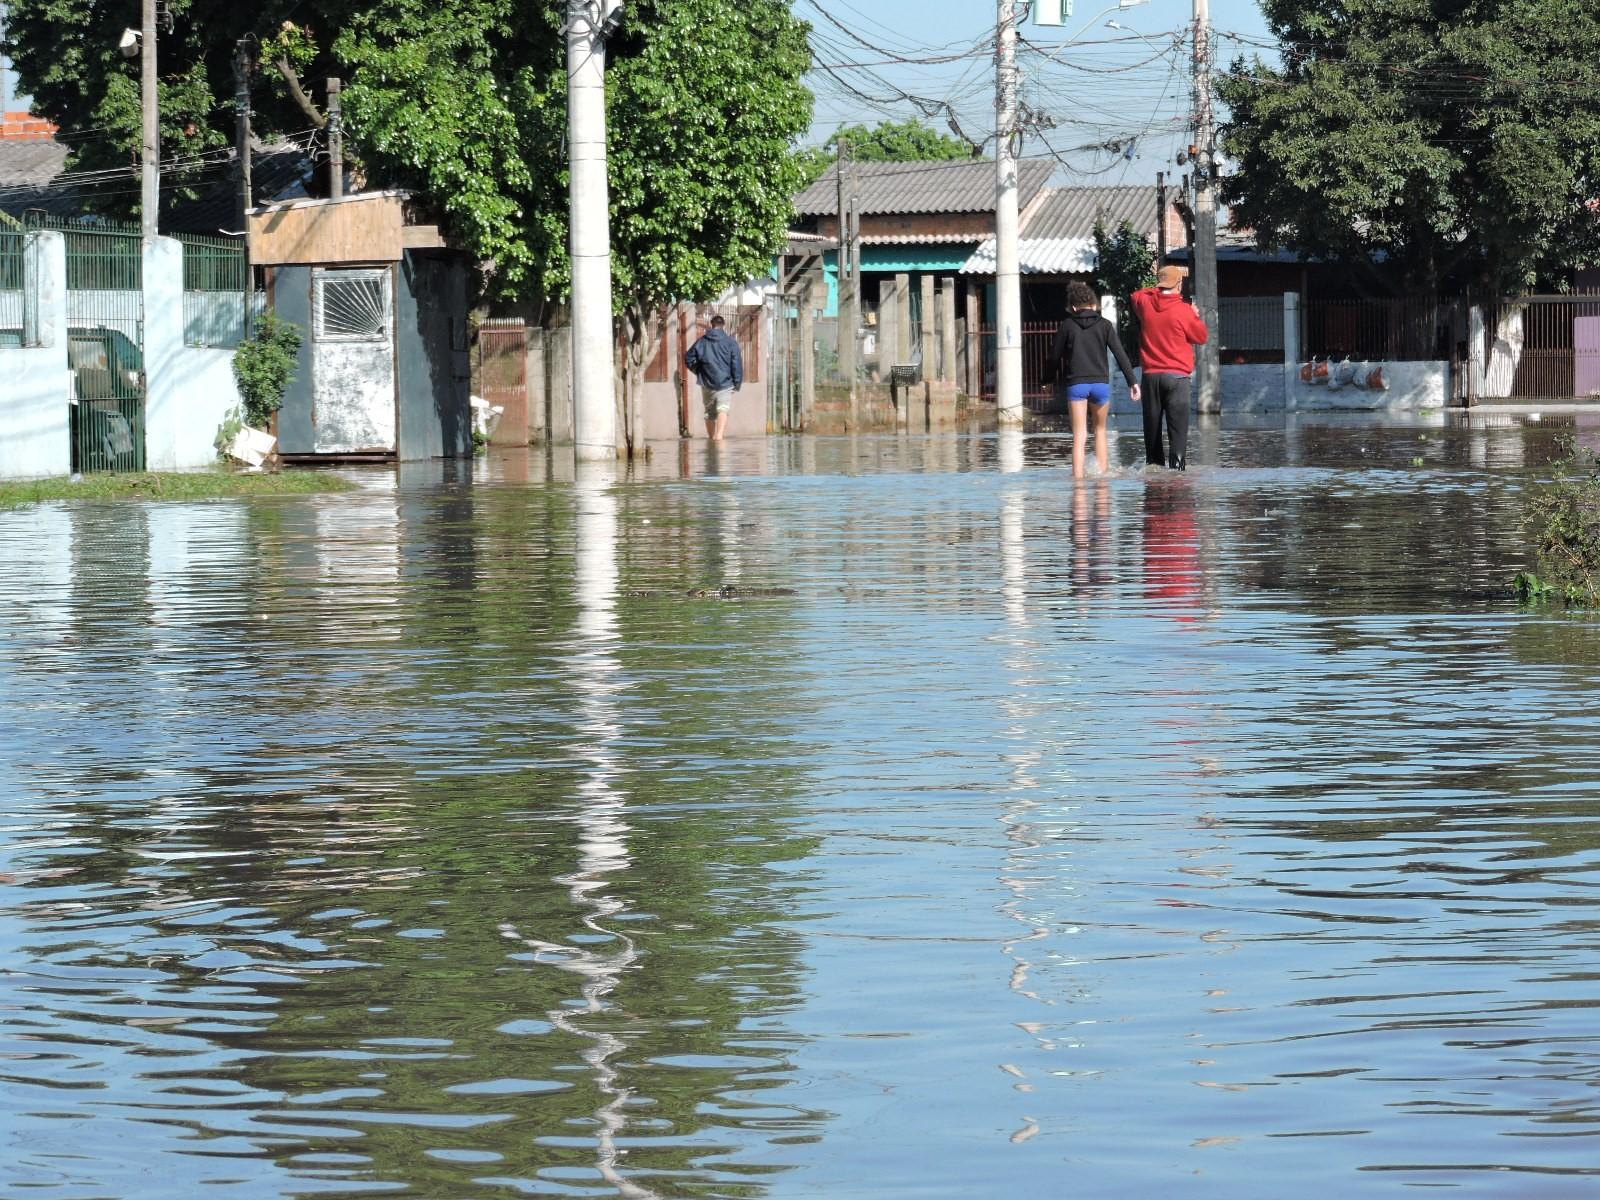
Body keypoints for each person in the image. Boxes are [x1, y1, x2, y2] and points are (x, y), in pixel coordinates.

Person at [1044, 280, 1140, 478]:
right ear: (1094, 304)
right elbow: (1120, 354)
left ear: (1072, 307)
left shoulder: (1067, 325)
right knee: (1100, 430)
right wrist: (1133, 382)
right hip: (1100, 384)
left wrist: (1047, 380)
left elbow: (1054, 356)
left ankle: (1078, 482)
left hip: (1077, 384)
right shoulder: (1104, 325)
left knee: (1079, 435)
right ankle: (1103, 479)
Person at [1130, 264, 1209, 470]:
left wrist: (1158, 289)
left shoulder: (1146, 303)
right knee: (1178, 435)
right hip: (1177, 378)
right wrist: (1194, 314)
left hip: (1151, 378)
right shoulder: (1184, 310)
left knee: (1152, 435)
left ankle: (1154, 489)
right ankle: (1178, 479)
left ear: (1159, 284)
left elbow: (1135, 294)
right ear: (1179, 284)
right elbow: (1201, 337)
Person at [684, 314, 743, 441]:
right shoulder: (731, 343)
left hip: (706, 382)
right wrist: (737, 384)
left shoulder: (702, 341)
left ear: (712, 324)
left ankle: (711, 438)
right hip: (726, 382)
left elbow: (688, 358)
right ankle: (719, 436)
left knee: (709, 411)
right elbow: (736, 364)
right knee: (723, 408)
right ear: (723, 326)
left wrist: (698, 371)